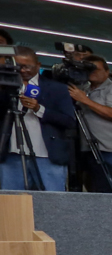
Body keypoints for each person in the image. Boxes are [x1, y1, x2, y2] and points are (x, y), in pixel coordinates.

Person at [1, 47, 76, 191]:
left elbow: (69, 121)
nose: (22, 70)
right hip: (11, 154)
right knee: (12, 204)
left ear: (38, 65)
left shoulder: (56, 88)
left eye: (26, 66)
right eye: (18, 66)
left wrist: (39, 109)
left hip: (47, 155)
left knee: (53, 202)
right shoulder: (5, 87)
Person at [69, 55, 112, 193]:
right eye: (89, 69)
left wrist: (85, 100)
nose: (92, 72)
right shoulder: (84, 89)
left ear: (107, 72)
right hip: (92, 149)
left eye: (96, 69)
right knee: (99, 192)